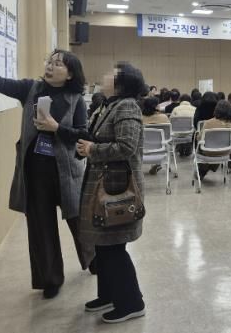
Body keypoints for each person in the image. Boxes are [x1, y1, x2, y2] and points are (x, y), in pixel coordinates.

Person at [0, 26, 91, 299]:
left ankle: (93, 259)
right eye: (50, 61)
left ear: (70, 73)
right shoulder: (29, 89)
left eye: (58, 64)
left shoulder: (76, 100)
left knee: (78, 220)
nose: (51, 66)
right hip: (35, 172)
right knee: (40, 226)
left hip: (67, 172)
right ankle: (50, 279)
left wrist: (56, 128)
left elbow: (82, 135)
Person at [76, 62, 146, 323]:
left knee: (114, 247)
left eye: (111, 74)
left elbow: (126, 147)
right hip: (103, 186)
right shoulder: (108, 105)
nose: (104, 76)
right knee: (103, 245)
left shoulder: (127, 106)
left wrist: (92, 150)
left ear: (121, 83)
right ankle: (108, 295)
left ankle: (132, 303)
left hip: (117, 190)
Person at [197, 100, 231, 180]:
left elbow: (200, 138)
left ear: (216, 110)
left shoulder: (208, 123)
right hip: (226, 152)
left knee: (201, 147)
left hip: (208, 152)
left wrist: (197, 136)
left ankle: (202, 171)